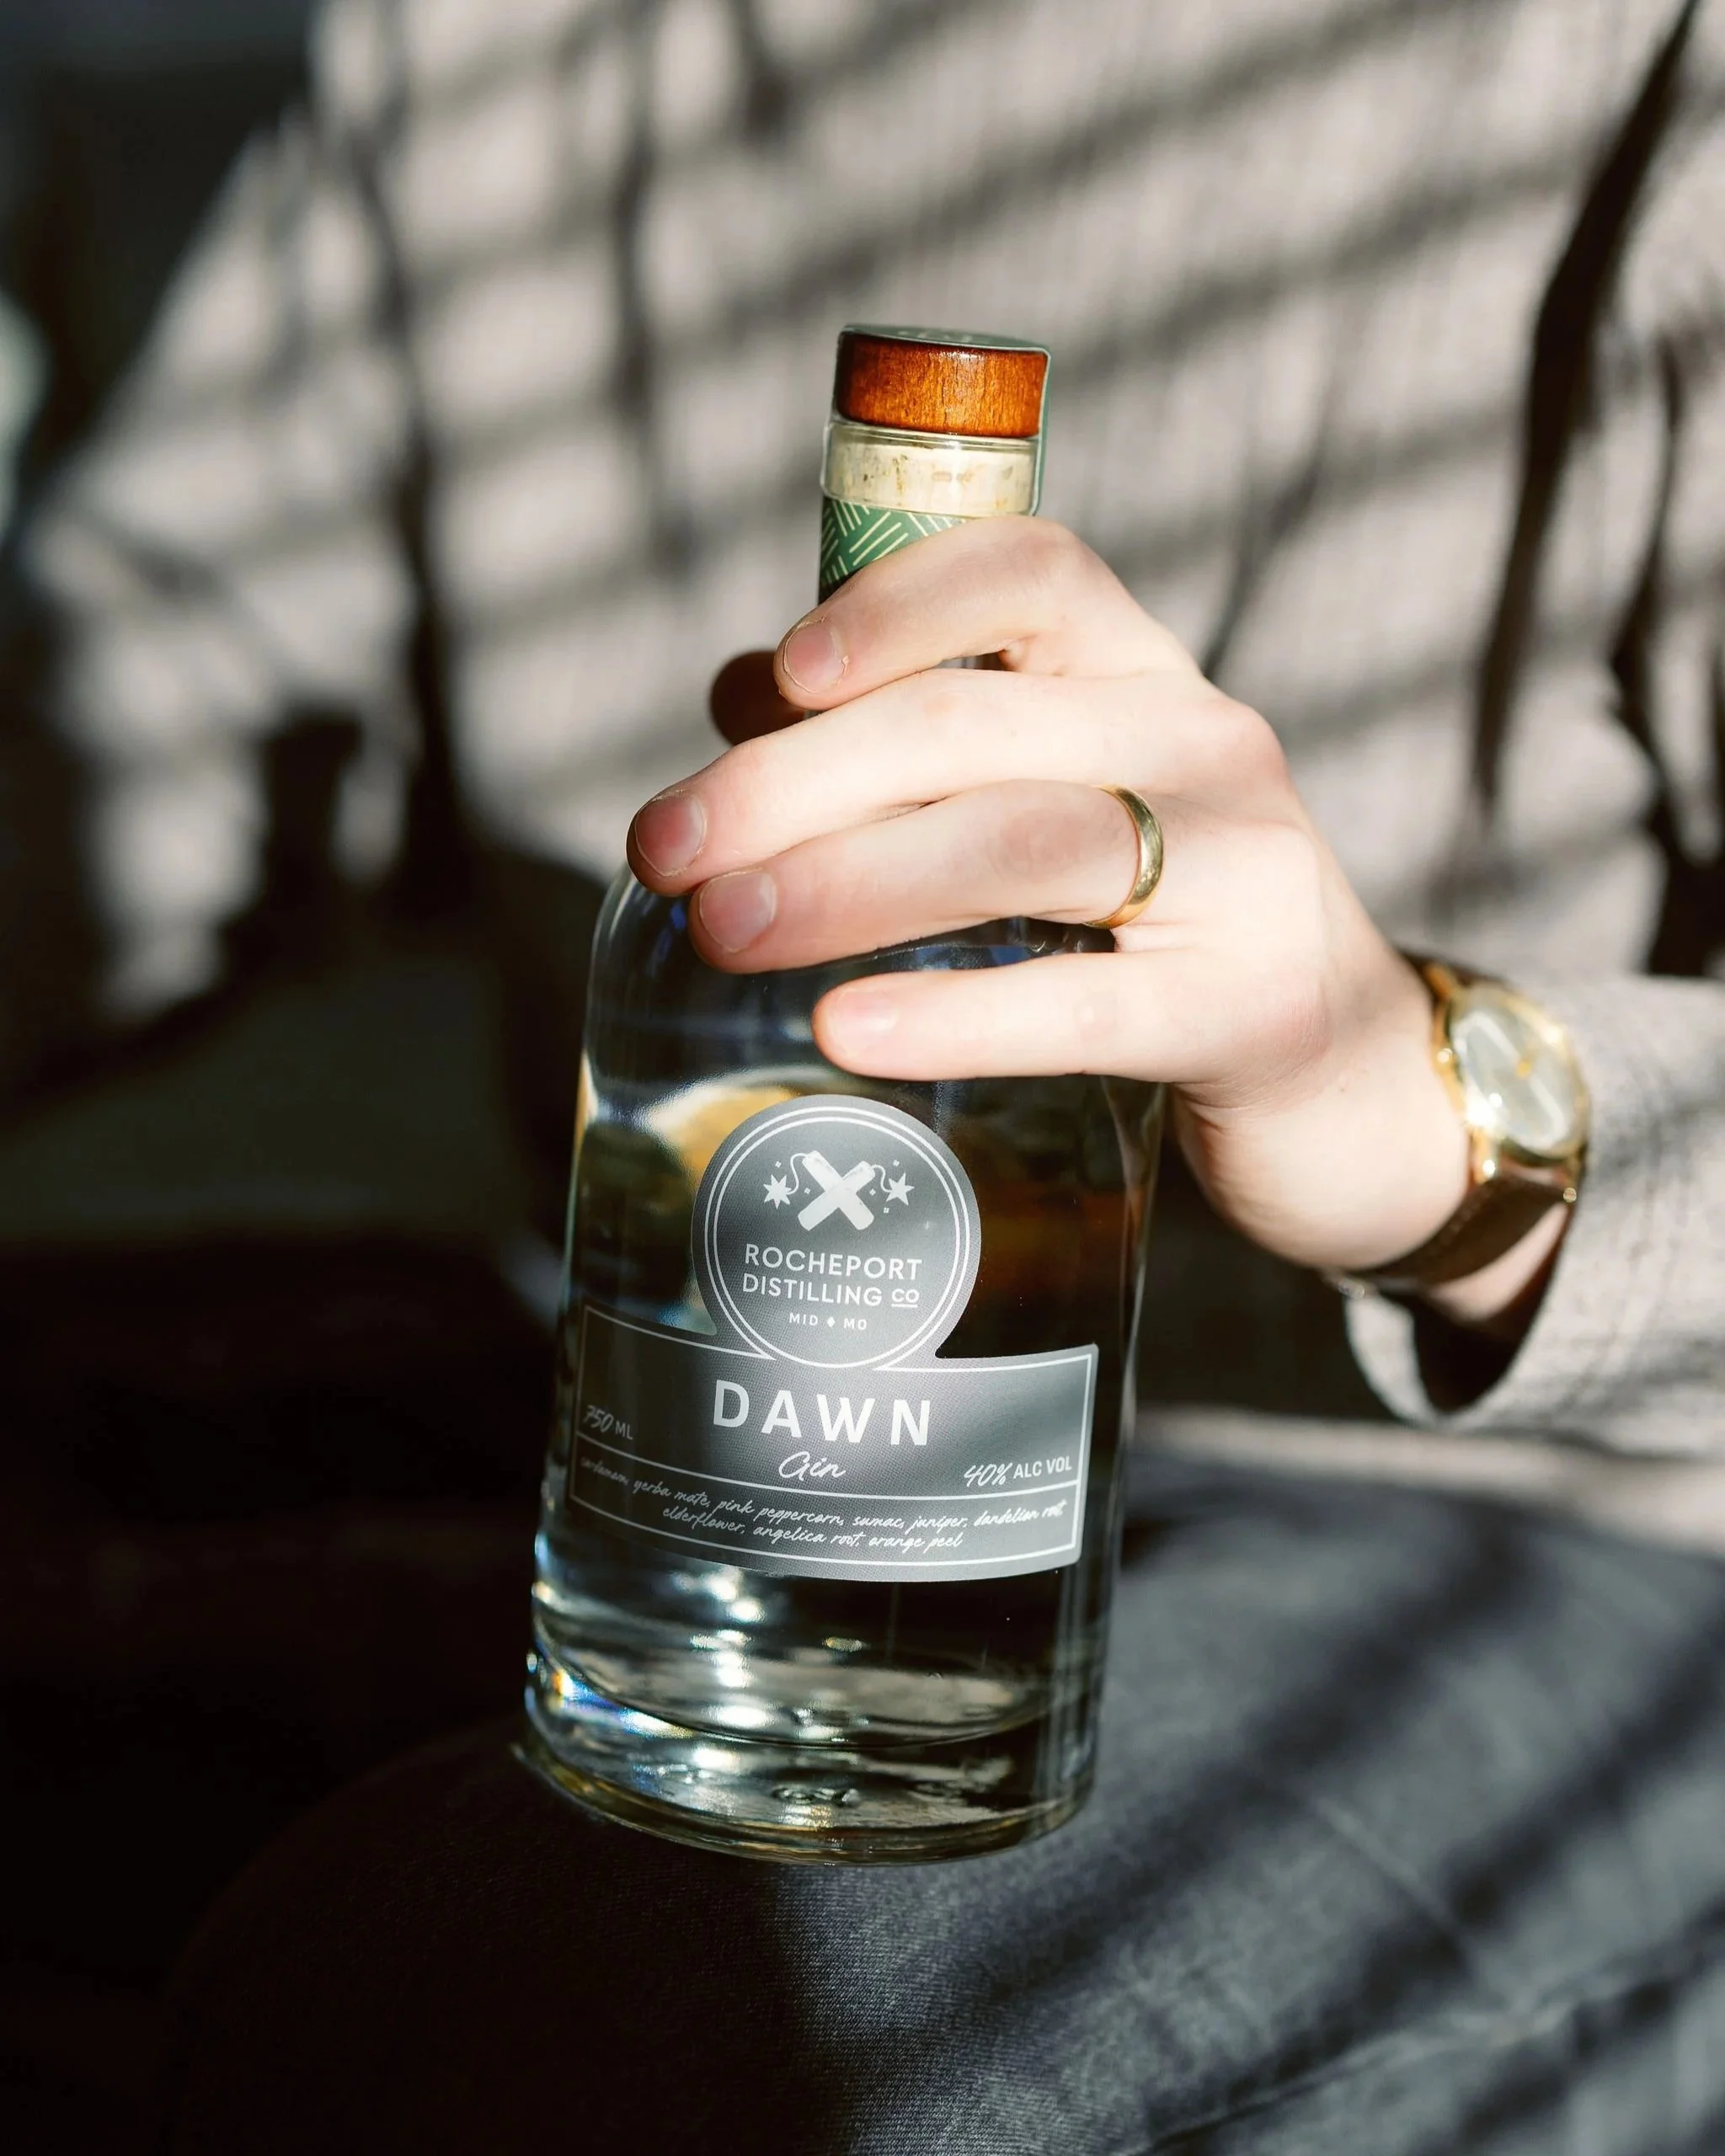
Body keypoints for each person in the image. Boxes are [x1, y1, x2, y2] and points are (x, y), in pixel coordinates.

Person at [9, 0, 1725, 2148]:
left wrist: (1416, 1103)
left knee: (596, 2012)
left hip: (1510, 1517)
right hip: (663, 1409)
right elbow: (134, 709)